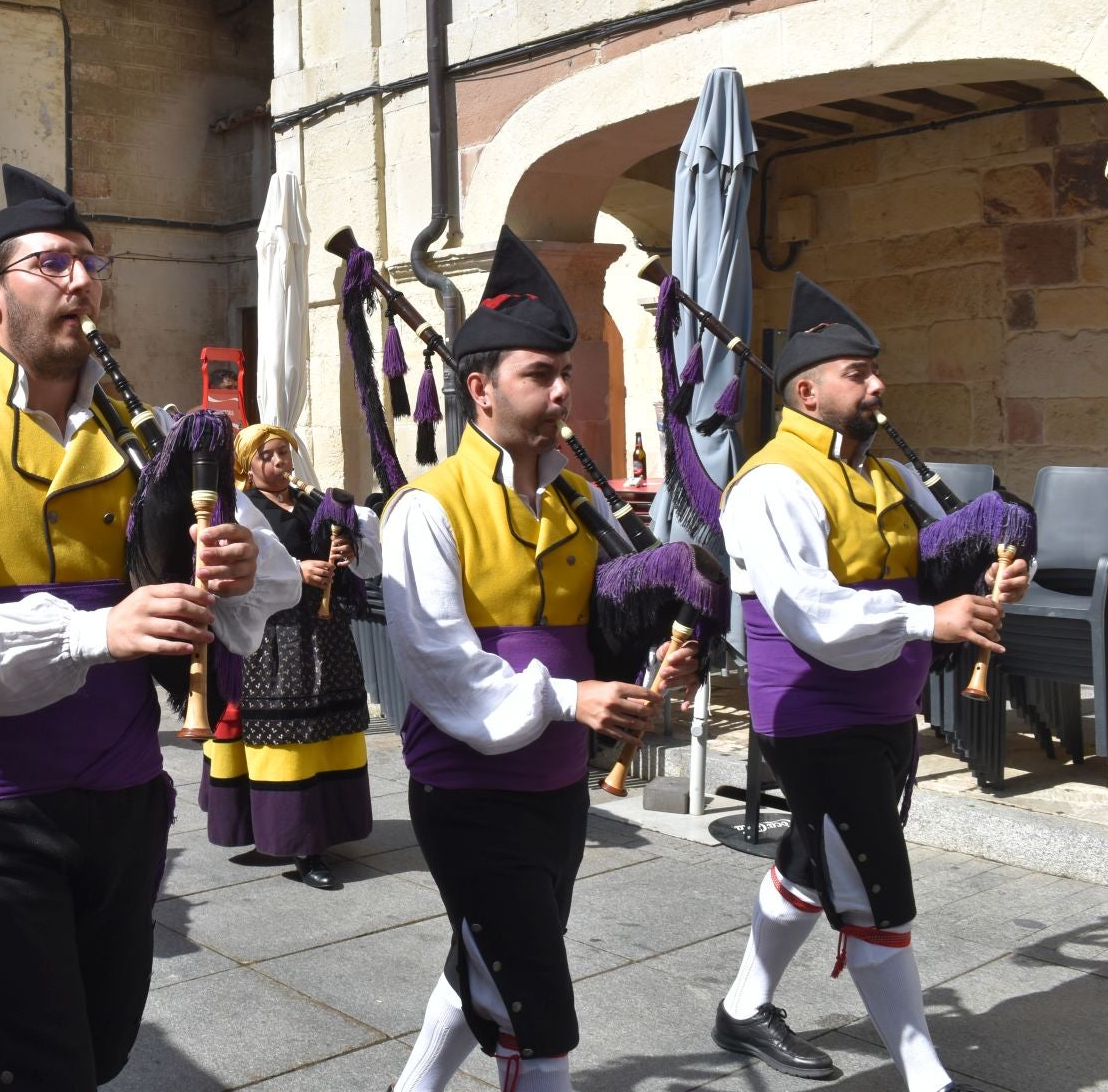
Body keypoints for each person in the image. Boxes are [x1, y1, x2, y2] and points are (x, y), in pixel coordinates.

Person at [0, 164, 299, 1089]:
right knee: (47, 1070)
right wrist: (94, 633)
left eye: (89, 263)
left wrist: (241, 564)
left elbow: (277, 578)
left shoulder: (152, 438)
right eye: (50, 263)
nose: (79, 280)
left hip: (125, 800)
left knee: (99, 1050)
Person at [382, 233, 698, 1092]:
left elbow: (604, 631)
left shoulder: (579, 499)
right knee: (538, 1021)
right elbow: (443, 670)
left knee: (485, 962)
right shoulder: (426, 509)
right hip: (472, 794)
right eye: (540, 374)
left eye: (567, 373)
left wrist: (667, 643)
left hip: (556, 788)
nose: (563, 392)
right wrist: (574, 698)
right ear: (481, 388)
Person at [708, 275, 1026, 1092]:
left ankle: (743, 1008)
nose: (878, 385)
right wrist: (932, 622)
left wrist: (993, 577)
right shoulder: (773, 483)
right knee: (877, 890)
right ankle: (929, 1078)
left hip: (882, 709)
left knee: (814, 863)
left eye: (874, 370)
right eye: (859, 372)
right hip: (814, 719)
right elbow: (814, 616)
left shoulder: (888, 478)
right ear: (807, 391)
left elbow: (937, 564)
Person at [201, 424, 379, 890]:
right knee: (286, 735)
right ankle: (299, 841)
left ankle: (326, 826)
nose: (282, 463)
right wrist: (296, 569)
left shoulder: (309, 503)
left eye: (285, 454)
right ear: (247, 464)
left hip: (325, 633)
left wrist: (346, 547)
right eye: (271, 456)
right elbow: (237, 566)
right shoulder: (241, 508)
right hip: (274, 637)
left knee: (328, 729)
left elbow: (358, 559)